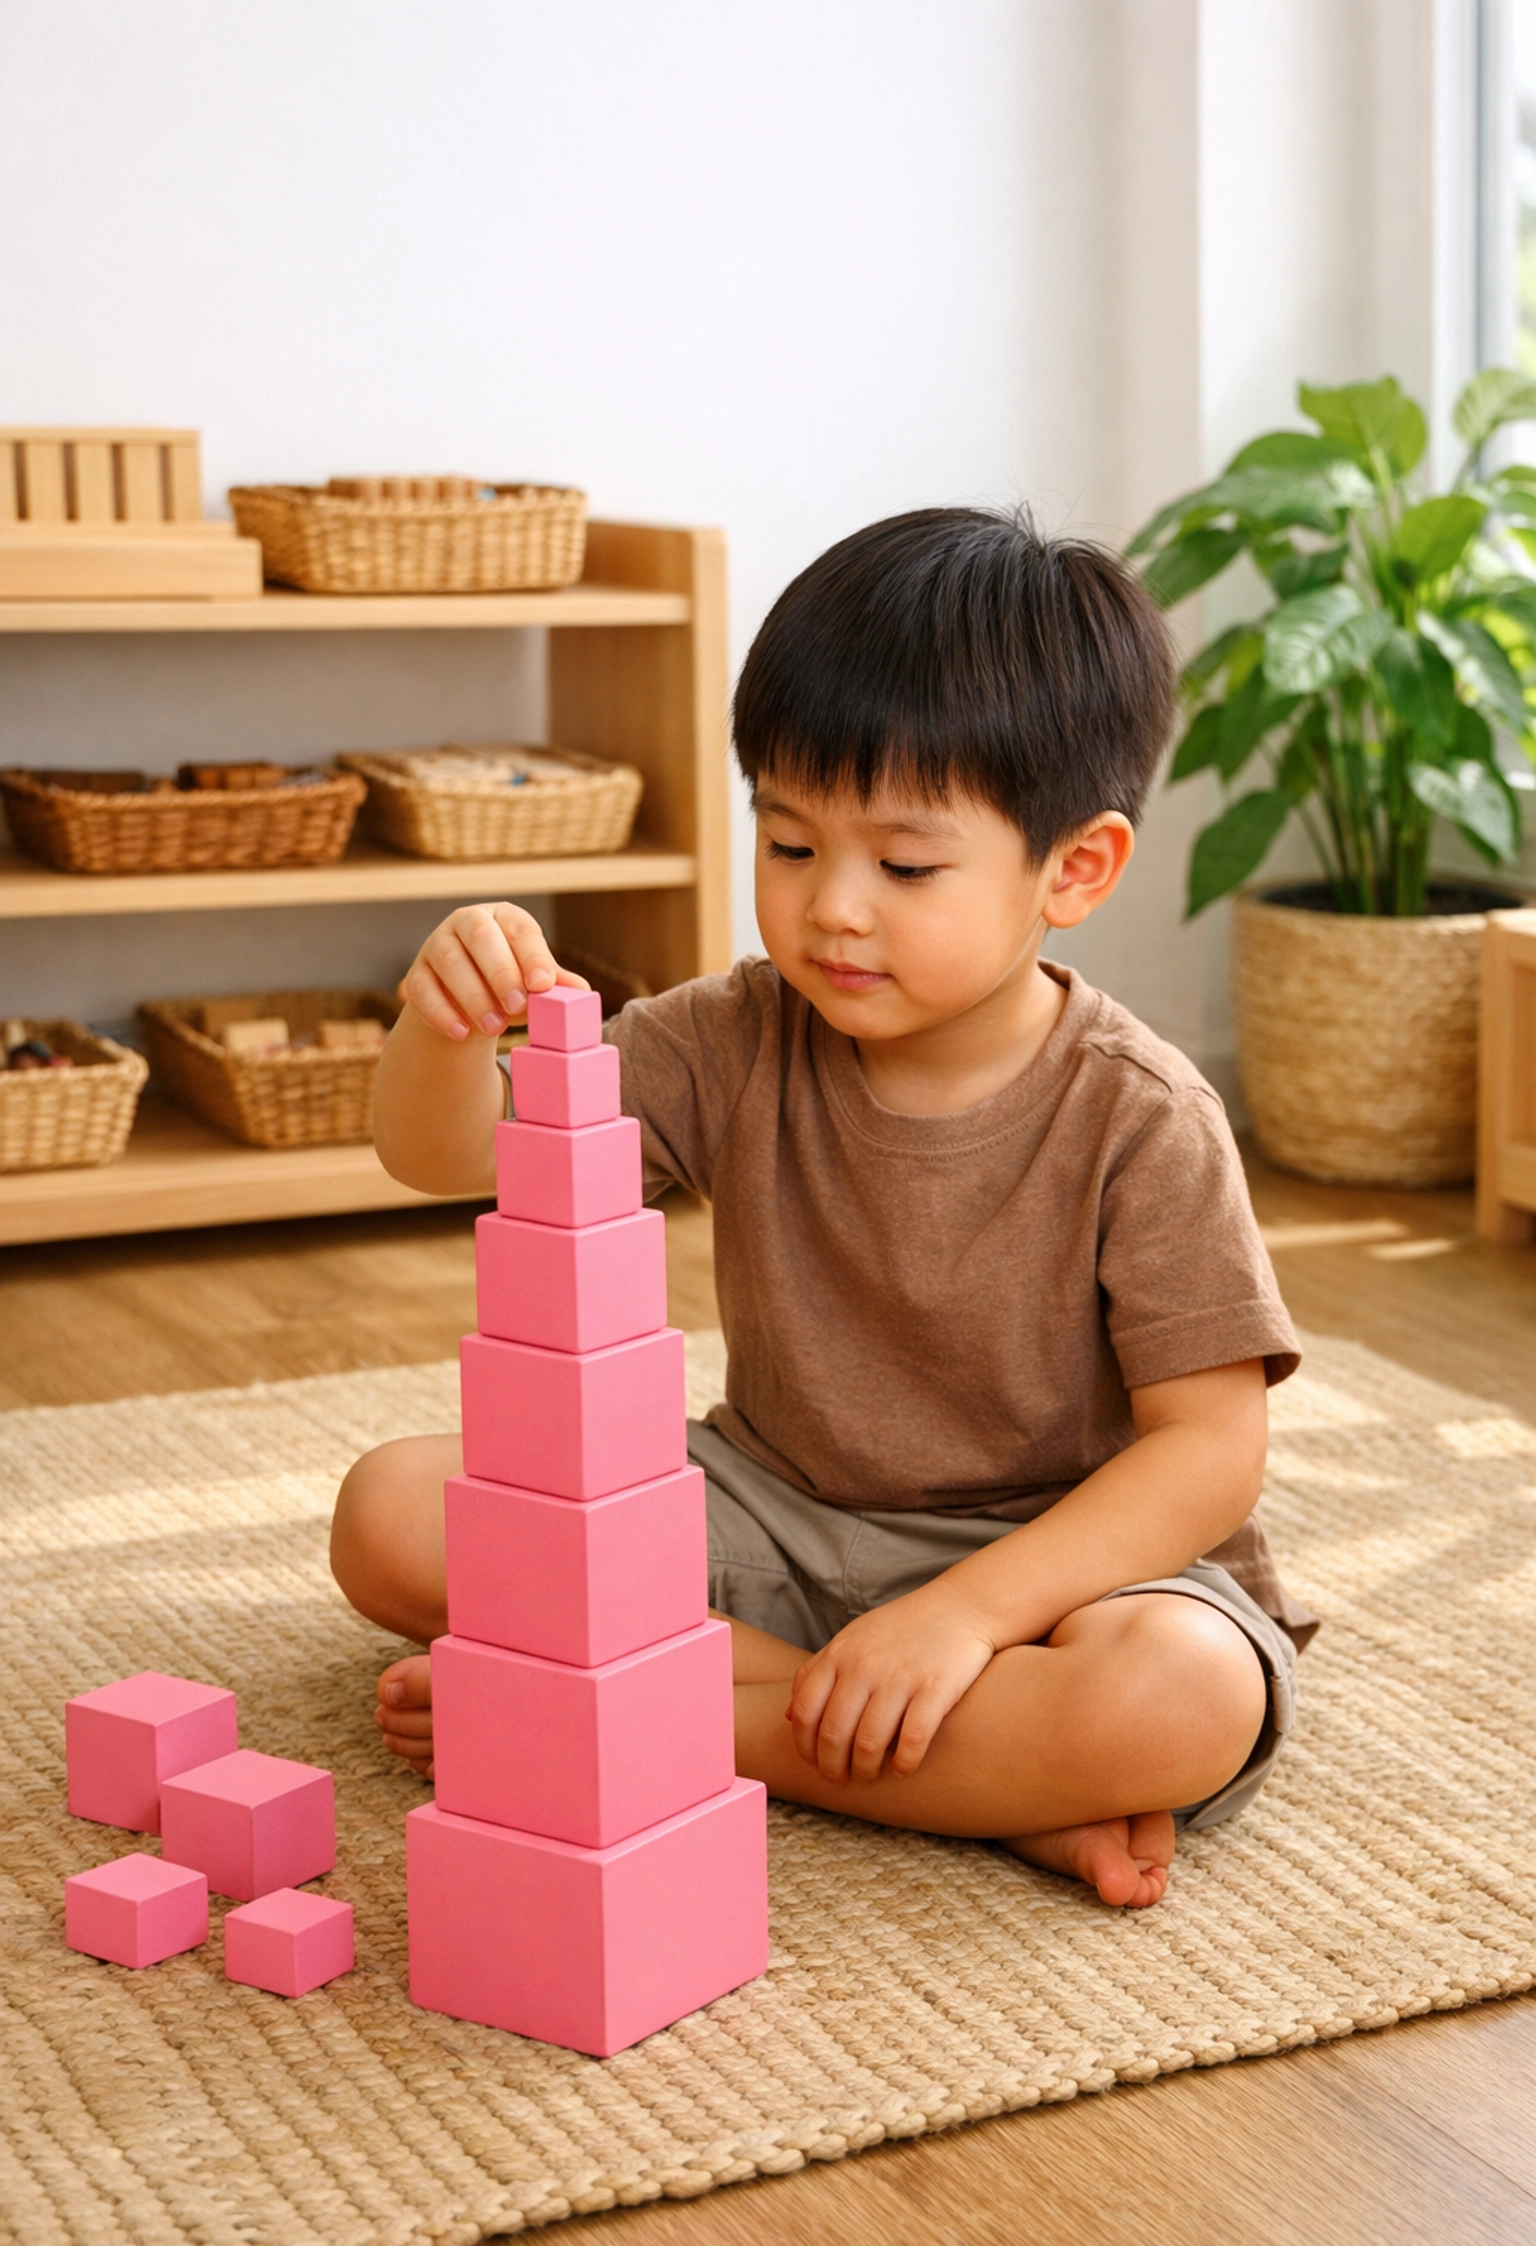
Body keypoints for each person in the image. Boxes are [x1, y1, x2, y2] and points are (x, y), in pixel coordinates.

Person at [331, 506, 1315, 1910]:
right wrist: (439, 1032)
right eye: (789, 845)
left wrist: (965, 1618)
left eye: (905, 867)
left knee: (1182, 1701)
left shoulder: (1142, 1115)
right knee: (393, 1513)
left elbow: (1210, 1455)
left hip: (1049, 1579)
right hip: (770, 1517)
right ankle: (971, 1784)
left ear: (1073, 869)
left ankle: (653, 1725)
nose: (831, 910)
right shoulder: (740, 1034)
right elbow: (460, 1159)